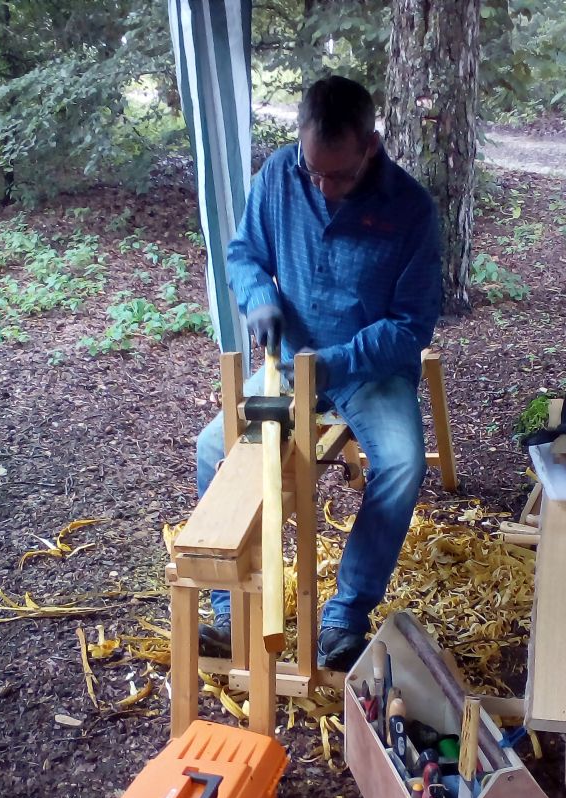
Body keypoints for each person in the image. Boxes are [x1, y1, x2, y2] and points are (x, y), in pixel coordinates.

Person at [197, 75, 442, 671]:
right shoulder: (280, 176)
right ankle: (231, 612)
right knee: (213, 448)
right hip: (292, 359)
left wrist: (335, 363)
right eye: (314, 172)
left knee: (402, 464)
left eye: (340, 175)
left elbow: (410, 326)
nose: (324, 187)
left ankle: (345, 617)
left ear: (371, 146)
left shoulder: (410, 209)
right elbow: (244, 254)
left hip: (369, 369)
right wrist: (259, 298)